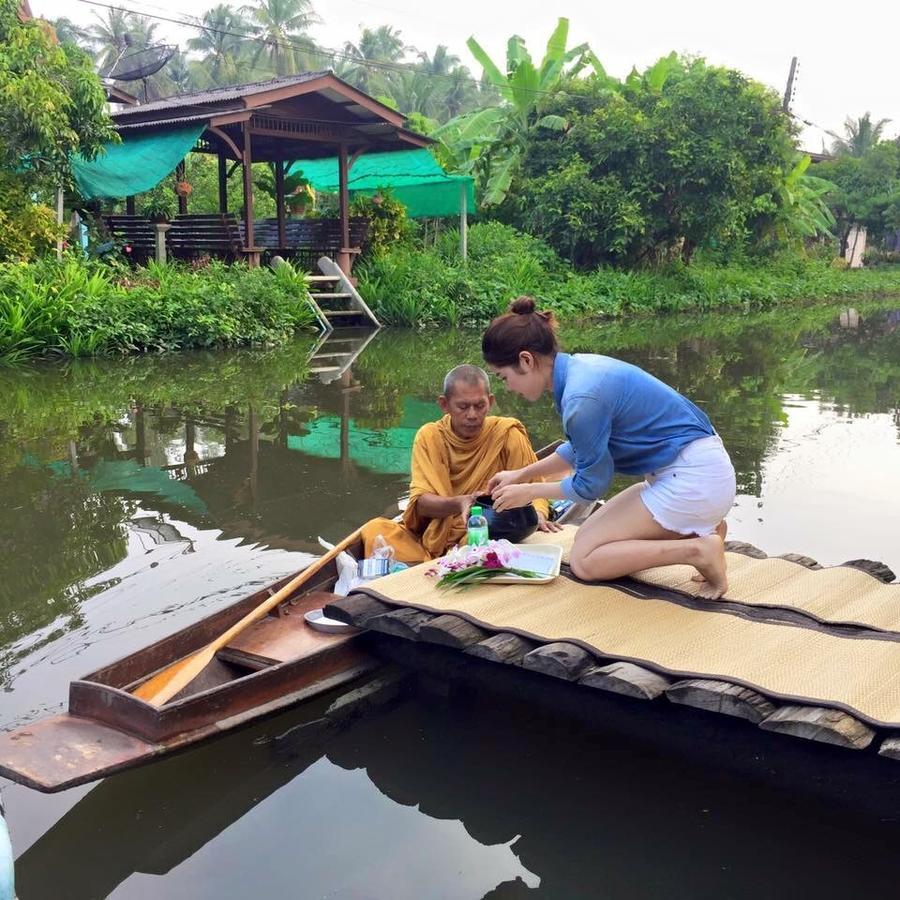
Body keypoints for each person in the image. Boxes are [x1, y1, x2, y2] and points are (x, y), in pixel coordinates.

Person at [482, 297, 736, 599]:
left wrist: (528, 492)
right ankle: (703, 527)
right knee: (588, 539)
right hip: (696, 471)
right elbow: (580, 451)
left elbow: (591, 485)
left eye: (503, 377)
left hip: (695, 483)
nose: (508, 387)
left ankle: (698, 548)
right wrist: (521, 475)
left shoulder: (581, 399)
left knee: (586, 562)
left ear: (526, 360)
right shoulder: (580, 371)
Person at [360, 364, 561, 564]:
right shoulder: (430, 437)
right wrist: (461, 502)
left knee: (485, 544)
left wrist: (539, 515)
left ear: (490, 402)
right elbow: (420, 503)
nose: (472, 415)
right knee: (374, 530)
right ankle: (447, 560)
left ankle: (446, 563)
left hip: (490, 529)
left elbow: (534, 486)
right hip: (439, 531)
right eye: (463, 407)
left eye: (479, 406)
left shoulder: (507, 434)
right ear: (444, 405)